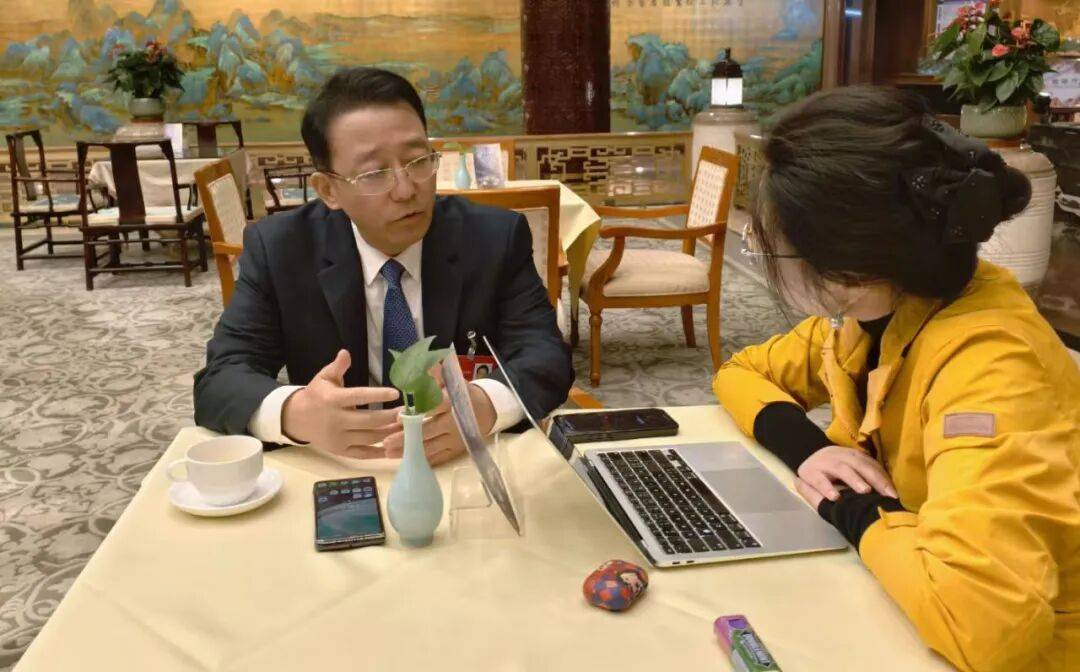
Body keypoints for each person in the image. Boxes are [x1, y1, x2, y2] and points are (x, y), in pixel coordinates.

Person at [713, 86, 1079, 672]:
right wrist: (808, 450)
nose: (765, 253)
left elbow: (984, 627)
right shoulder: (872, 311)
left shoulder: (993, 363)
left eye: (773, 247)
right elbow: (743, 372)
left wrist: (857, 512)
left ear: (849, 265)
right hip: (903, 598)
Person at [194, 67, 573, 464]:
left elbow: (545, 354)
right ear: (328, 190)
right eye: (374, 173)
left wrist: (485, 404)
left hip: (461, 463)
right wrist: (297, 413)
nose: (407, 190)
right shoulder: (281, 249)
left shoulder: (494, 237)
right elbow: (221, 378)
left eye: (417, 160)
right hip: (341, 465)